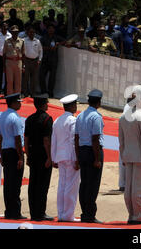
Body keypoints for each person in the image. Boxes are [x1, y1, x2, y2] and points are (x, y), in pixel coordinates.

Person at [118, 85, 141, 224]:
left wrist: (123, 156)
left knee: (129, 189)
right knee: (138, 189)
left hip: (128, 156)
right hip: (140, 157)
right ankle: (138, 216)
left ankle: (131, 214)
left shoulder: (122, 117)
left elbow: (121, 141)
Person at [75, 89, 104, 223]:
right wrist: (97, 158)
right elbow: (95, 139)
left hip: (82, 150)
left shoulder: (80, 115)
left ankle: (84, 212)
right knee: (92, 184)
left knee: (85, 183)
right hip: (93, 151)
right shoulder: (96, 117)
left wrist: (77, 156)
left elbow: (76, 138)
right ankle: (89, 214)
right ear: (98, 102)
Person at [24, 94, 54, 221]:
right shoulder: (47, 119)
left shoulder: (29, 119)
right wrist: (49, 157)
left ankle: (33, 212)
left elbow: (26, 139)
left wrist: (28, 155)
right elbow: (46, 140)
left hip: (33, 154)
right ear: (43, 104)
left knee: (33, 183)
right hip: (42, 155)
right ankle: (40, 212)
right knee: (43, 185)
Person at [51, 94, 80, 222]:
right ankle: (68, 215)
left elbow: (54, 141)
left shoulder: (57, 120)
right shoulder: (73, 120)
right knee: (71, 187)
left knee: (62, 185)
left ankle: (62, 213)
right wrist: (76, 158)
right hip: (70, 156)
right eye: (75, 104)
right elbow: (74, 140)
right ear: (72, 106)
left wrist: (53, 157)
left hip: (60, 156)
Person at [0, 93, 26, 219]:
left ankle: (9, 210)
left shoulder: (1, 116)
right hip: (14, 152)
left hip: (5, 150)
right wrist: (20, 157)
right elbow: (18, 139)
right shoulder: (15, 118)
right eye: (18, 102)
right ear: (13, 103)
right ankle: (15, 212)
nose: (20, 104)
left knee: (8, 182)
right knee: (15, 183)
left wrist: (1, 154)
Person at [40, 24, 66, 97]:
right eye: (49, 28)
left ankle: (50, 92)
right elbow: (40, 47)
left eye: (52, 28)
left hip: (54, 60)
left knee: (52, 77)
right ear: (47, 30)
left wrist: (58, 44)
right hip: (45, 59)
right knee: (41, 76)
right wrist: (49, 48)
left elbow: (65, 41)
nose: (51, 30)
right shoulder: (43, 38)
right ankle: (43, 91)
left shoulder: (56, 37)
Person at [3, 25, 24, 95]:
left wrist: (23, 65)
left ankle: (17, 96)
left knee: (18, 81)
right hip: (9, 62)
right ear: (11, 32)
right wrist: (4, 66)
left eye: (16, 32)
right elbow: (4, 54)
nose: (15, 33)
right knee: (10, 81)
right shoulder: (7, 41)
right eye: (13, 32)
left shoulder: (21, 41)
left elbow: (23, 54)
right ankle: (10, 96)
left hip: (18, 62)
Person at [22, 26, 43, 97]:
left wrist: (39, 60)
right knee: (26, 78)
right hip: (27, 60)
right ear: (27, 33)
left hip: (35, 61)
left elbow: (41, 51)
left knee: (34, 78)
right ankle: (25, 93)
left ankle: (32, 93)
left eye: (33, 32)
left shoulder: (37, 41)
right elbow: (22, 52)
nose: (32, 33)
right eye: (30, 32)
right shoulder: (24, 40)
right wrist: (23, 62)